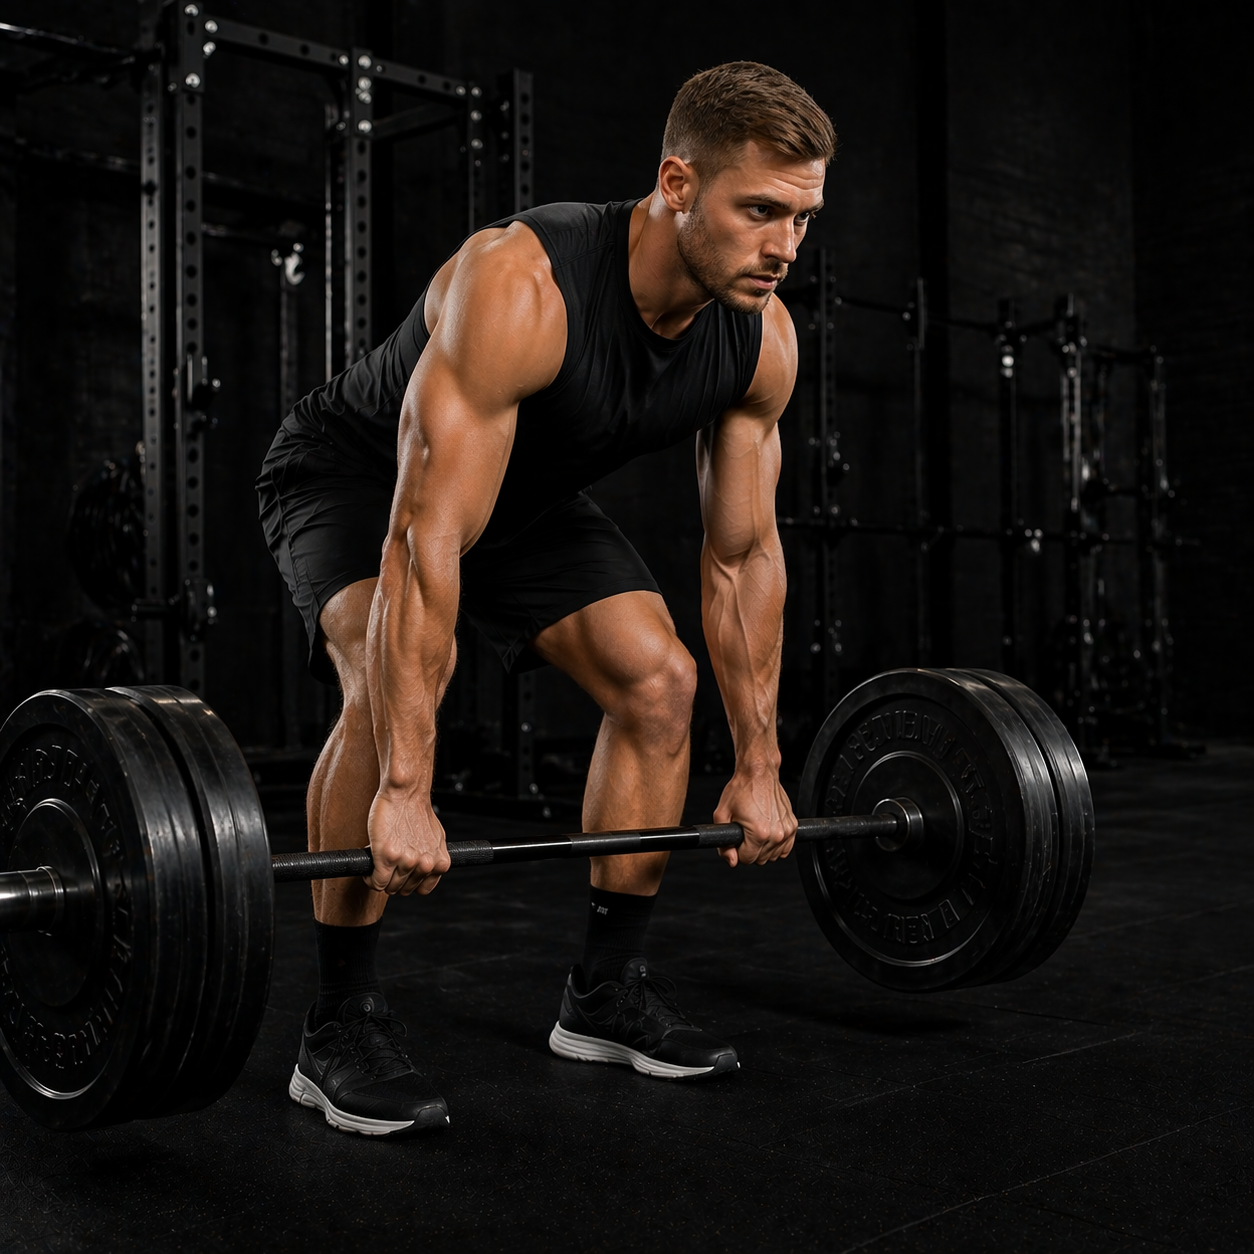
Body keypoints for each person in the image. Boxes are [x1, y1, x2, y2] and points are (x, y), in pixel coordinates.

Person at [257, 60, 834, 1136]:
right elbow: (424, 535)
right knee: (381, 698)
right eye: (759, 211)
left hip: (525, 495)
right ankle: (336, 1022)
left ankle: (604, 995)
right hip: (359, 477)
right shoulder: (522, 282)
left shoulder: (761, 341)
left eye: (802, 218)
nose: (784, 246)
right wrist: (407, 789)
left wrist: (759, 766)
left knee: (660, 682)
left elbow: (743, 559)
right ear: (675, 182)